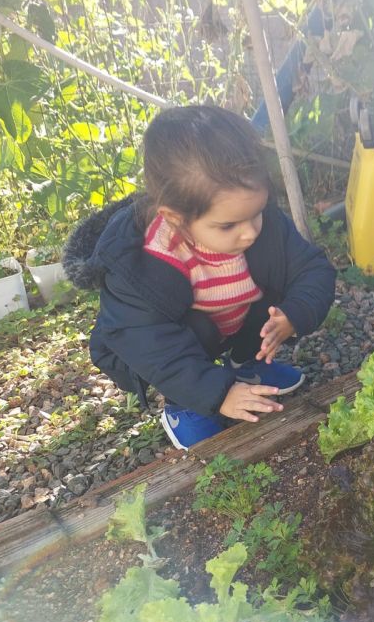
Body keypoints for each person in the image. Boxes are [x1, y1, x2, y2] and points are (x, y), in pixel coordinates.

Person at [63, 106, 336, 449]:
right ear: (175, 218)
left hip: (232, 316)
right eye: (228, 225)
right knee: (192, 333)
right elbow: (154, 348)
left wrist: (294, 313)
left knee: (274, 279)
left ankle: (245, 363)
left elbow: (311, 268)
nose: (250, 232)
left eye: (256, 213)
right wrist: (218, 394)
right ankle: (183, 405)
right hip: (174, 344)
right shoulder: (140, 264)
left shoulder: (250, 216)